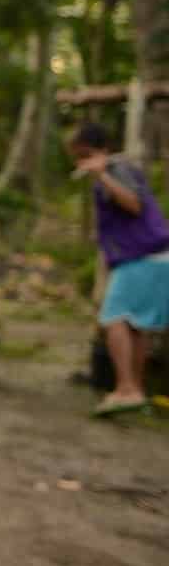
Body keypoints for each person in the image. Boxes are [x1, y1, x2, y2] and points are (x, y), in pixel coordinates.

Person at [68, 123, 169, 417]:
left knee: (112, 317)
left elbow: (134, 205)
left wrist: (101, 174)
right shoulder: (117, 171)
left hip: (142, 256)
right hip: (154, 257)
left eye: (84, 155)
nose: (80, 163)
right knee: (136, 325)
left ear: (99, 150)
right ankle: (134, 390)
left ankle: (126, 387)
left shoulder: (115, 170)